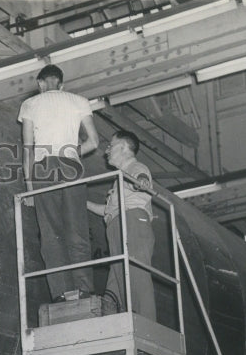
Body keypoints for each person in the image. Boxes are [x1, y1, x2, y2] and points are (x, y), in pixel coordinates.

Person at [18, 64, 100, 301]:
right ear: (61, 85)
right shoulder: (79, 101)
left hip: (44, 167)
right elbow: (94, 141)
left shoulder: (30, 105)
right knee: (77, 229)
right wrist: (72, 151)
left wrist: (30, 190)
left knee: (51, 232)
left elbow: (28, 151)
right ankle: (84, 288)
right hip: (71, 164)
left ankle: (61, 293)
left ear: (40, 84)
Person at [86, 130, 157, 321]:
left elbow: (141, 178)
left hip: (132, 222)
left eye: (111, 145)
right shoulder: (121, 177)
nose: (107, 150)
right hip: (118, 224)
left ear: (124, 147)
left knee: (137, 275)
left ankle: (147, 325)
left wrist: (141, 182)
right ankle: (119, 322)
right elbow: (108, 210)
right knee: (117, 280)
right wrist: (83, 204)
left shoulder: (135, 167)